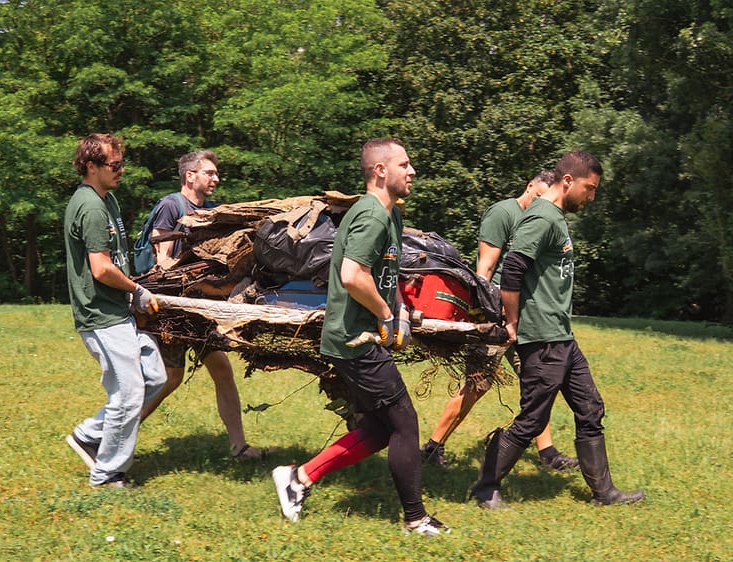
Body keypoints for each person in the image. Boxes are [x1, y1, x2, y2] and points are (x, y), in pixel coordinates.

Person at [271, 138, 450, 536]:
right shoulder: (370, 215)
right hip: (355, 339)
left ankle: (297, 478)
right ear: (380, 171)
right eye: (405, 164)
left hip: (364, 335)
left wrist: (399, 309)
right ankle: (416, 519)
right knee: (405, 423)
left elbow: (387, 275)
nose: (413, 171)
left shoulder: (391, 215)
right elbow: (353, 275)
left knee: (381, 429)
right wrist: (386, 315)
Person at [470, 150, 645, 508]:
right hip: (540, 336)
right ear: (568, 181)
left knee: (590, 408)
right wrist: (513, 321)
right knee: (532, 419)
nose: (591, 197)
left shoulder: (555, 216)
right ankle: (486, 487)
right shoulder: (541, 217)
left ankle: (604, 493)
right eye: (589, 188)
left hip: (561, 334)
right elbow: (513, 269)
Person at [421, 171, 579, 472]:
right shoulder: (503, 213)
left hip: (527, 318)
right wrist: (486, 315)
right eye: (538, 196)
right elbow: (487, 266)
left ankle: (547, 452)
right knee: (478, 383)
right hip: (496, 316)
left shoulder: (542, 217)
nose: (541, 203)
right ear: (529, 186)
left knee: (539, 381)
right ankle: (432, 446)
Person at [138, 149, 265, 460]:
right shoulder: (172, 205)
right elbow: (162, 261)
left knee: (222, 371)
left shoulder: (210, 210)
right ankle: (112, 434)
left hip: (199, 305)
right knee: (169, 378)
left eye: (216, 173)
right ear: (190, 176)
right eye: (209, 172)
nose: (216, 178)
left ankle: (239, 446)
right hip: (172, 309)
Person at [64, 133, 166, 487]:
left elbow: (119, 259)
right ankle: (107, 474)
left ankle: (90, 436)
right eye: (114, 164)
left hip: (118, 311)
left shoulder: (108, 201)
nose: (121, 170)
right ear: (91, 167)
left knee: (155, 377)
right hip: (101, 315)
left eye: (122, 163)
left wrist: (133, 291)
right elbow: (101, 269)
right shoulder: (90, 207)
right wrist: (136, 290)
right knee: (129, 393)